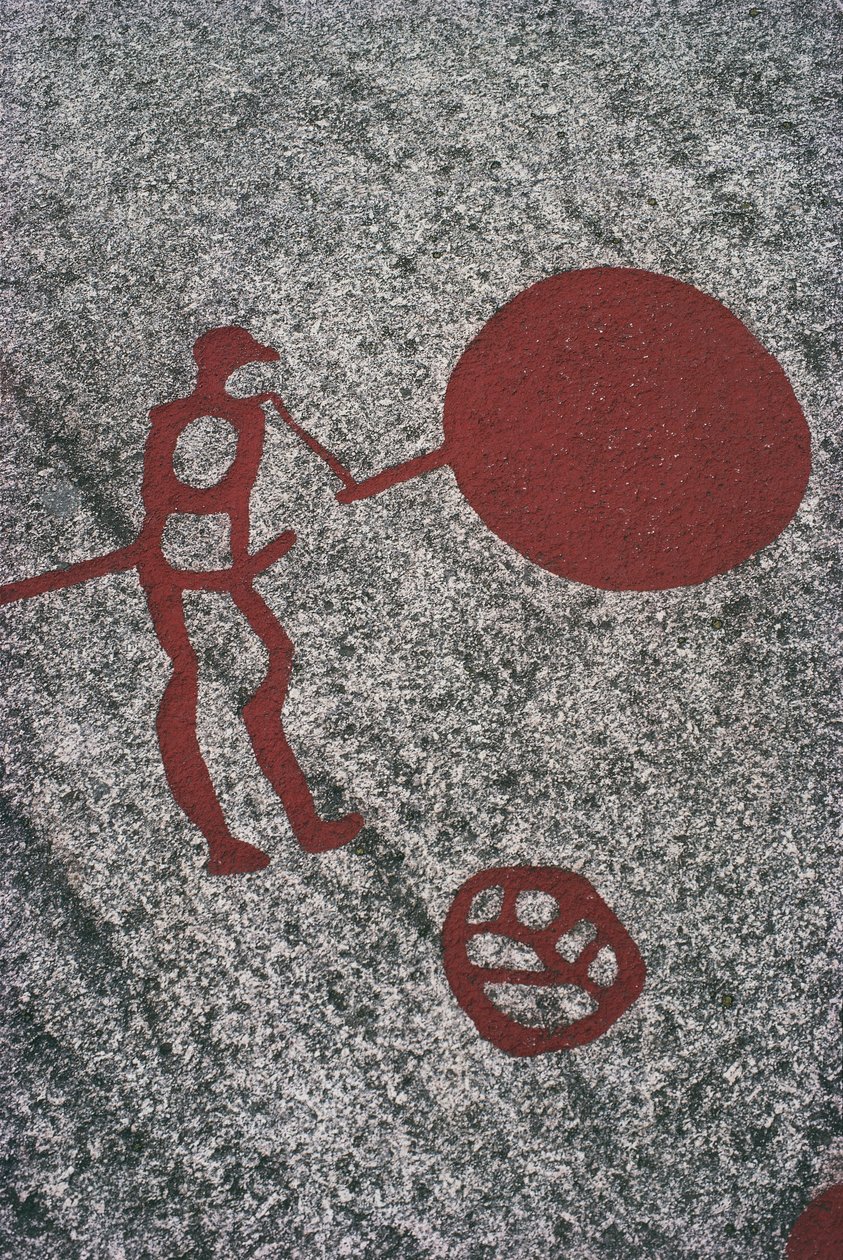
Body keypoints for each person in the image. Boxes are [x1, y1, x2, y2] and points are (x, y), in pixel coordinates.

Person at [0, 326, 365, 875]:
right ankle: (247, 836)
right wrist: (241, 563)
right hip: (199, 577)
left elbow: (182, 504)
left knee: (247, 676)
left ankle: (288, 826)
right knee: (212, 687)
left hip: (206, 573)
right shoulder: (216, 421)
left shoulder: (192, 418)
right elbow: (203, 500)